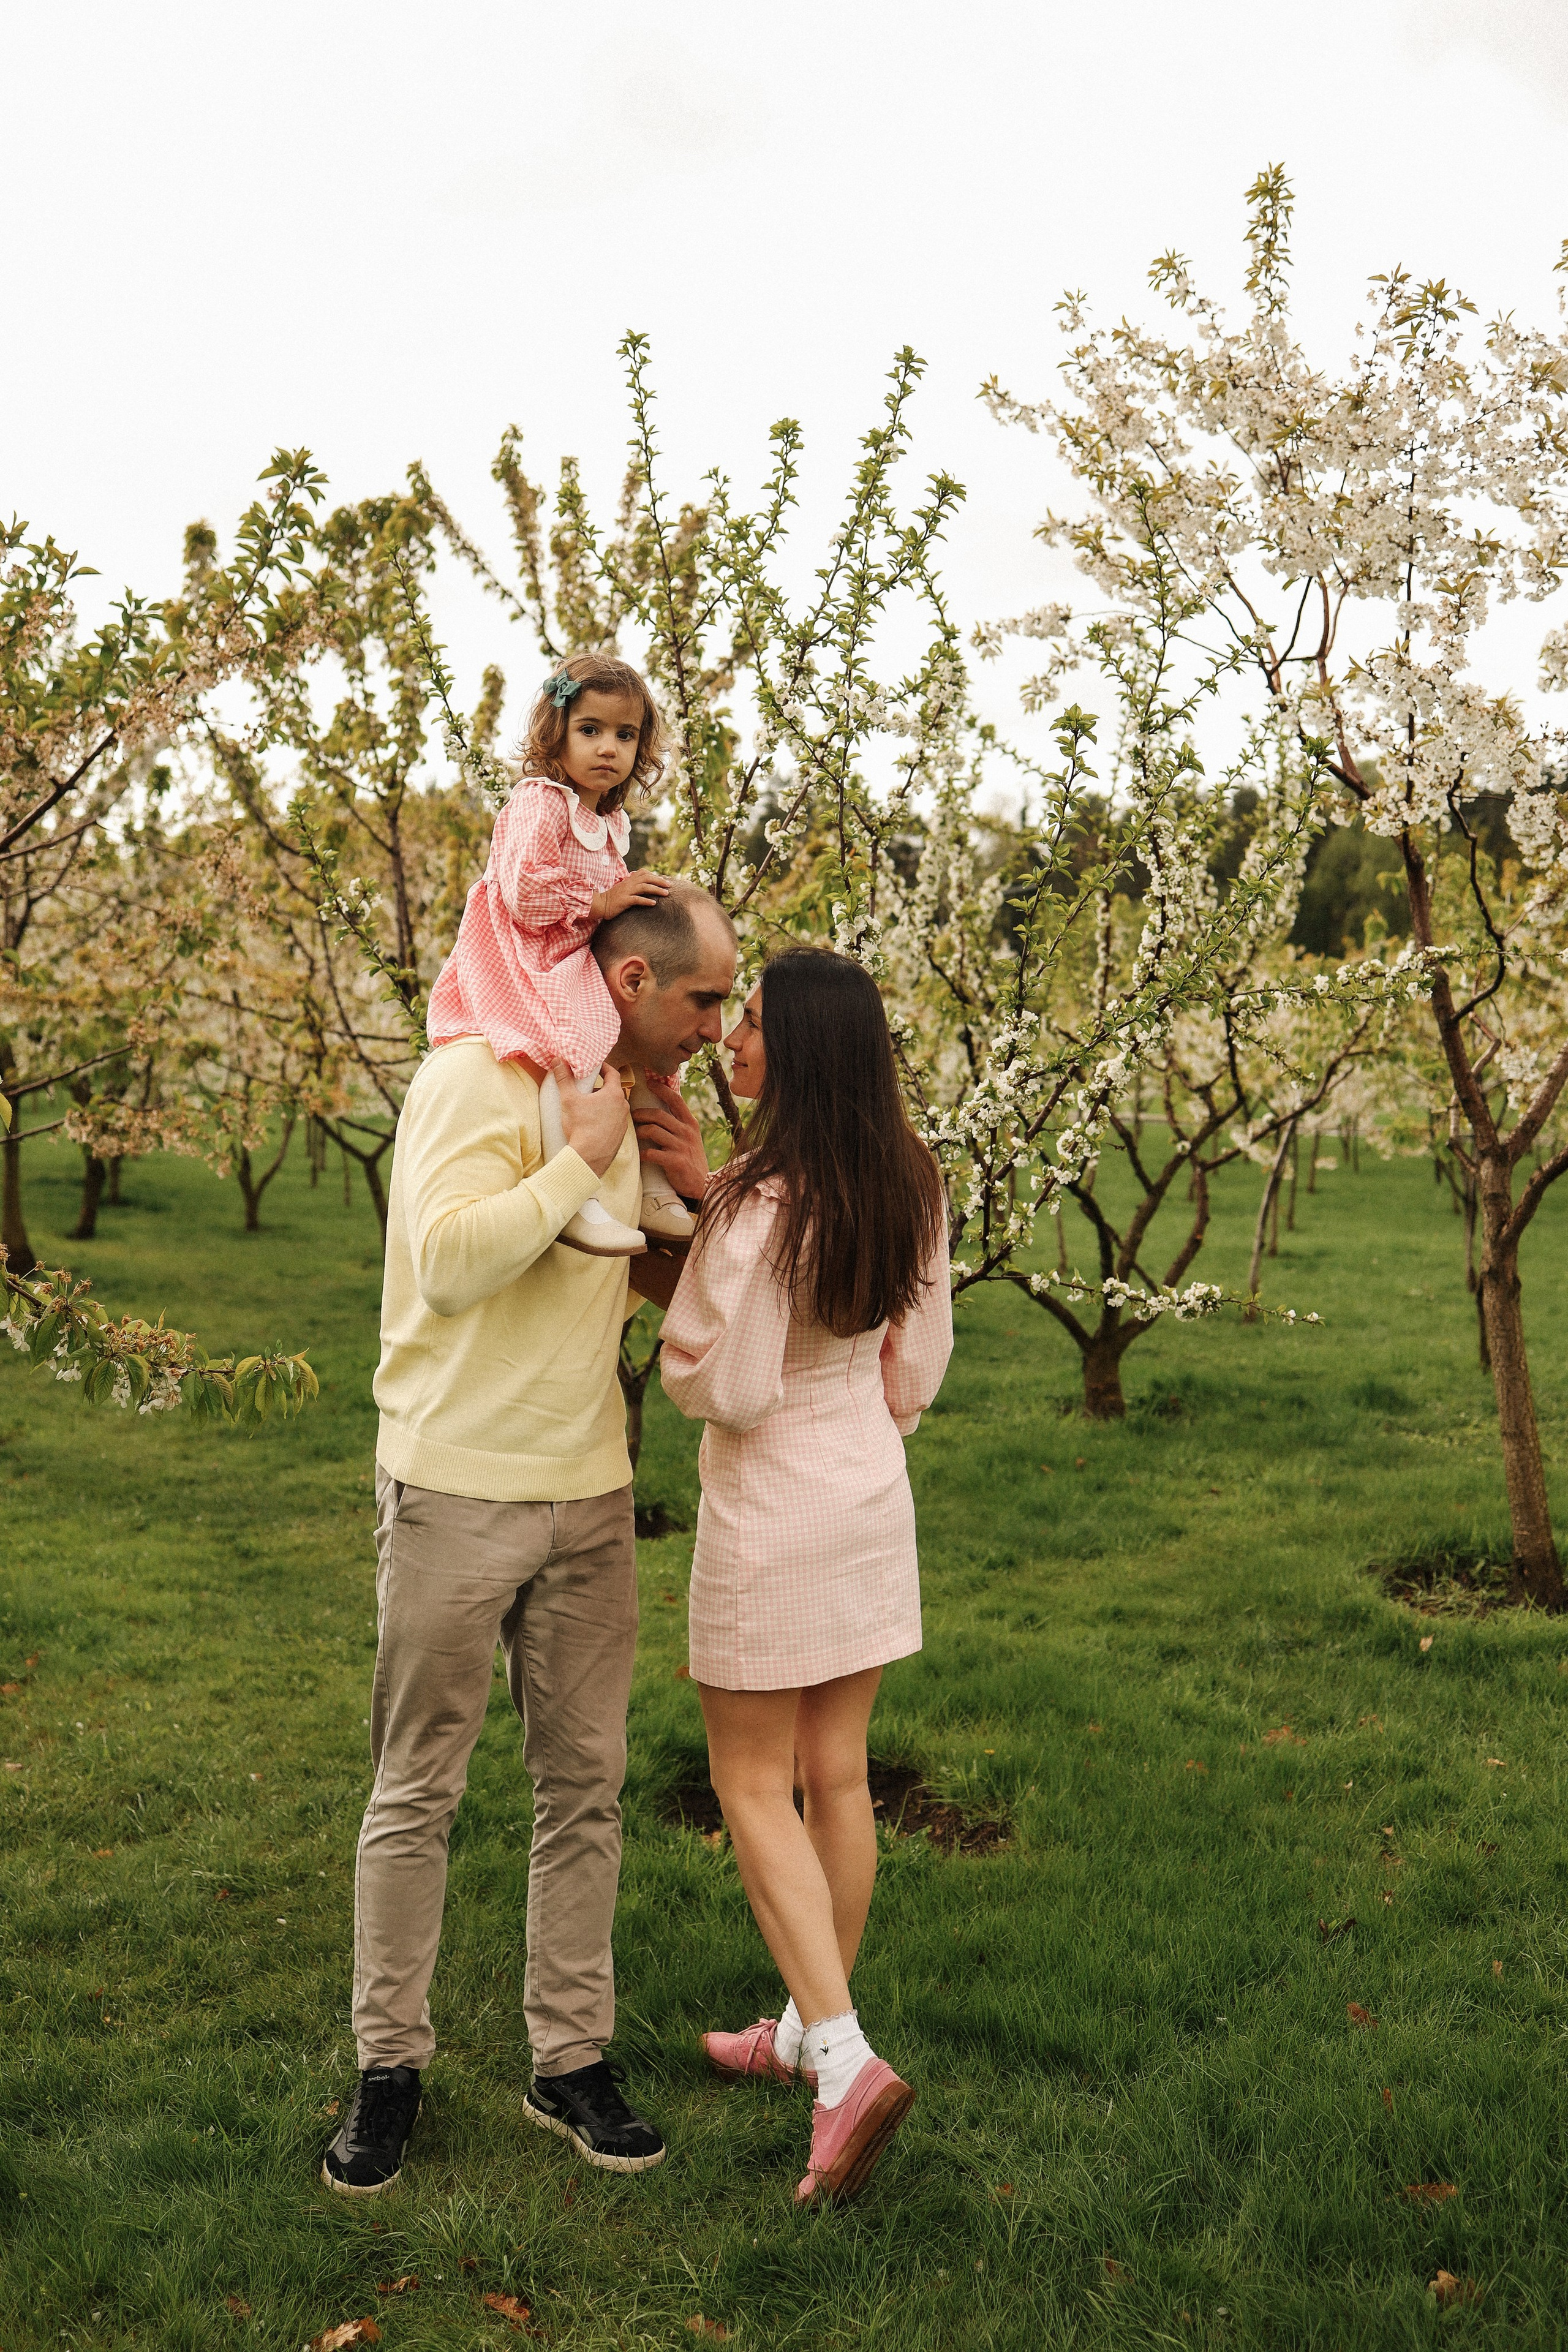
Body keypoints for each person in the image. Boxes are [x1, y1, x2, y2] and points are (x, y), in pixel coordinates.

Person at [320, 882, 737, 2197]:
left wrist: (688, 1190)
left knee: (584, 1788)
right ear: (631, 982)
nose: (717, 1029)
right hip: (454, 1487)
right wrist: (578, 1155)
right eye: (704, 999)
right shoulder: (473, 1076)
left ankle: (570, 2060)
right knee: (418, 1788)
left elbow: (666, 1284)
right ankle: (389, 2068)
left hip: (589, 1492)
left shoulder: (635, 1096)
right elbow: (447, 1264)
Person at [654, 947, 953, 2206]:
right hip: (867, 1489)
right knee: (836, 1774)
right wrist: (708, 1195)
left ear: (804, 1050)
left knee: (750, 1784)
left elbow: (719, 1382)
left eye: (754, 1024)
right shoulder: (909, 1175)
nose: (730, 1039)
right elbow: (914, 1367)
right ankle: (796, 2029)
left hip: (771, 1507)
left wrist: (695, 1238)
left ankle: (840, 2060)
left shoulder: (760, 1200)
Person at [426, 651, 697, 1257]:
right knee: (571, 1050)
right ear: (558, 733)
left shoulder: (610, 822)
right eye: (590, 730)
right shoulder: (540, 801)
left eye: (625, 735)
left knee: (645, 1050)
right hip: (531, 955)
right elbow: (524, 890)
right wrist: (601, 901)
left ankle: (654, 1188)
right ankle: (575, 1196)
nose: (608, 748)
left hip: (579, 956)